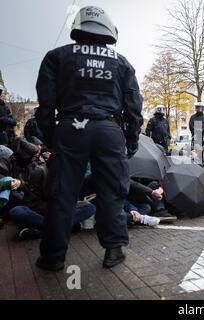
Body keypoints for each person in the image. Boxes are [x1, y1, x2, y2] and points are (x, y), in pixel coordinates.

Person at [35, 6, 143, 271]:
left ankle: (53, 257)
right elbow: (134, 106)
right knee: (112, 192)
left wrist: (52, 137)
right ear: (108, 28)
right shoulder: (121, 62)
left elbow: (45, 104)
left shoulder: (57, 57)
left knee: (62, 194)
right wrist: (131, 139)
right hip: (109, 130)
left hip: (70, 127)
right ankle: (113, 250)